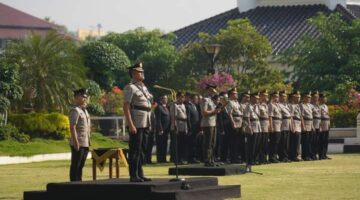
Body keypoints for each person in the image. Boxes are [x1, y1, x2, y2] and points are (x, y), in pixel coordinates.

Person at [123, 62, 153, 182]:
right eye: (140, 71)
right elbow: (126, 107)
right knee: (135, 149)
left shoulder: (143, 87)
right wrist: (131, 124)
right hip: (136, 122)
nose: (142, 73)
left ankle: (140, 173)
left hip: (145, 121)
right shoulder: (130, 87)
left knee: (142, 149)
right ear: (134, 73)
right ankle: (133, 175)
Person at [69, 88, 91, 182]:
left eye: (86, 97)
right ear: (77, 98)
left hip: (85, 142)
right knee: (76, 164)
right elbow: (72, 127)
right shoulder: (75, 110)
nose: (85, 99)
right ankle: (74, 183)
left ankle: (79, 182)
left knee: (81, 165)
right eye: (83, 97)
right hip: (79, 142)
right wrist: (75, 141)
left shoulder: (85, 111)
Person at [200, 84, 220, 167]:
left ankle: (211, 159)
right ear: (208, 91)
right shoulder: (205, 100)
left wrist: (217, 110)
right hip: (207, 124)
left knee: (213, 143)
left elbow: (214, 111)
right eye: (212, 91)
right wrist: (214, 111)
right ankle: (207, 160)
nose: (213, 93)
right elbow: (204, 112)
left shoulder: (211, 100)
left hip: (213, 123)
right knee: (208, 143)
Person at [243, 92, 261, 168]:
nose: (257, 100)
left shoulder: (257, 106)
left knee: (256, 145)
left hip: (257, 125)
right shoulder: (248, 106)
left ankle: (253, 160)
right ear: (252, 98)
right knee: (251, 145)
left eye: (258, 99)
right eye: (256, 98)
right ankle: (249, 162)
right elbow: (247, 117)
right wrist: (249, 127)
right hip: (251, 125)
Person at [170, 91, 188, 164]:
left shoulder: (183, 105)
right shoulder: (174, 105)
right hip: (177, 124)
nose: (182, 98)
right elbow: (173, 116)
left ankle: (180, 158)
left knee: (182, 144)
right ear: (177, 97)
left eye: (183, 97)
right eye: (181, 97)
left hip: (183, 125)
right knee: (177, 144)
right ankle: (176, 159)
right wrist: (175, 126)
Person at [227, 88, 243, 164]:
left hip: (239, 123)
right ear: (231, 95)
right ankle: (233, 158)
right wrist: (233, 123)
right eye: (234, 93)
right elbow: (229, 114)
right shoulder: (230, 102)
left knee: (238, 141)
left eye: (236, 93)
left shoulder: (237, 102)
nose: (236, 94)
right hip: (234, 122)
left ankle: (237, 157)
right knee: (233, 141)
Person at [185, 93, 202, 163]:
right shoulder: (188, 106)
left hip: (196, 128)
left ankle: (194, 157)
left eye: (197, 99)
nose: (197, 100)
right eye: (195, 99)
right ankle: (190, 158)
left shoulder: (195, 106)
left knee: (195, 143)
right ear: (191, 99)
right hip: (192, 129)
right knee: (191, 144)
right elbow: (188, 119)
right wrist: (189, 129)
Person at [155, 95, 171, 163]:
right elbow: (158, 119)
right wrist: (160, 129)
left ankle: (164, 159)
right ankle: (160, 159)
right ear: (161, 99)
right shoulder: (159, 107)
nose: (166, 100)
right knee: (160, 145)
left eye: (166, 98)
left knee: (164, 145)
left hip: (166, 130)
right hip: (161, 130)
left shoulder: (166, 107)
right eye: (164, 98)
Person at [268, 91, 282, 163]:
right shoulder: (271, 105)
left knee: (277, 142)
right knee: (273, 142)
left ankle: (275, 156)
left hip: (279, 124)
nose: (277, 98)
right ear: (272, 97)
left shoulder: (277, 105)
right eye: (276, 96)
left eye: (278, 96)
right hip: (274, 124)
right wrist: (270, 126)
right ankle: (271, 157)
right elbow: (270, 116)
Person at [278, 91, 292, 162]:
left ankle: (286, 156)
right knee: (282, 142)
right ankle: (282, 157)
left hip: (288, 124)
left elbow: (290, 116)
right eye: (283, 96)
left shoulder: (287, 105)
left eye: (285, 96)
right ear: (279, 97)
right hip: (283, 125)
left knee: (287, 142)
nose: (284, 98)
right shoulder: (278, 105)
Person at [258, 90, 270, 164]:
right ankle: (260, 158)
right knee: (261, 142)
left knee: (265, 142)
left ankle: (265, 158)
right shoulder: (258, 104)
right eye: (264, 95)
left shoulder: (265, 105)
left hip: (266, 124)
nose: (266, 97)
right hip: (261, 124)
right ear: (261, 96)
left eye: (266, 95)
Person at [301, 92, 314, 161]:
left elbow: (311, 117)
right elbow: (301, 117)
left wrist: (312, 126)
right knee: (305, 142)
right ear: (304, 98)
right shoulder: (302, 105)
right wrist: (303, 126)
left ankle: (309, 155)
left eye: (309, 97)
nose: (309, 98)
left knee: (309, 141)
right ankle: (305, 156)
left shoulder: (310, 106)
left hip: (310, 124)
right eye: (307, 97)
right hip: (305, 124)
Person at [289, 91, 302, 162]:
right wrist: (292, 126)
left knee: (298, 141)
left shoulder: (298, 106)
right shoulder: (291, 105)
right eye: (297, 97)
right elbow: (291, 116)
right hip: (294, 123)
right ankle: (294, 156)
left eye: (299, 97)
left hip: (298, 123)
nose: (298, 99)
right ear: (293, 98)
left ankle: (297, 155)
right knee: (295, 141)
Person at [319, 93, 331, 160]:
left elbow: (328, 116)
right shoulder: (319, 106)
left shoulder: (326, 106)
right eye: (324, 98)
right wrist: (320, 126)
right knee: (321, 140)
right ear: (320, 99)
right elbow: (319, 117)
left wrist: (329, 124)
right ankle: (321, 155)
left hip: (326, 123)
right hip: (322, 123)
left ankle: (324, 154)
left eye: (325, 98)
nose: (325, 99)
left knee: (326, 140)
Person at [311, 91, 321, 160]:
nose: (316, 98)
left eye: (317, 97)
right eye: (315, 97)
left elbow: (319, 116)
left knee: (317, 141)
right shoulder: (310, 105)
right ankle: (312, 154)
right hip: (313, 124)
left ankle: (315, 154)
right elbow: (310, 116)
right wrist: (312, 126)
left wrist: (320, 126)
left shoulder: (318, 105)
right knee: (312, 141)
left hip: (318, 124)